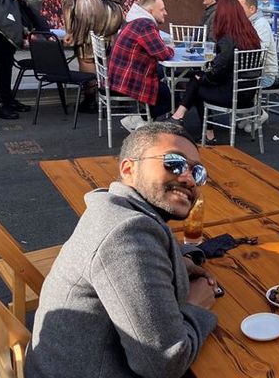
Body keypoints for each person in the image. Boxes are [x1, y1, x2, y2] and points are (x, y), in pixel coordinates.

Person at [26, 123, 219, 377]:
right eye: (174, 163)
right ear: (128, 169)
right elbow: (164, 364)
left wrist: (172, 263)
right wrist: (196, 306)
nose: (189, 179)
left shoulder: (112, 208)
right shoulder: (128, 234)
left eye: (198, 172)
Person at [166, 0, 261, 144]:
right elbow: (224, 68)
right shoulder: (250, 35)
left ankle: (183, 120)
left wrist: (203, 78)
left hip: (231, 94)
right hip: (248, 93)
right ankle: (184, 120)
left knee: (197, 84)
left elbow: (218, 71)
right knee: (197, 80)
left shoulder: (228, 39)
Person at [53, 0, 125, 114]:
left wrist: (69, 30)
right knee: (107, 54)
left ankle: (91, 99)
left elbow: (68, 3)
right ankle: (115, 95)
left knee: (86, 57)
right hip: (112, 10)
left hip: (89, 13)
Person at [108, 0, 174, 129]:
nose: (165, 13)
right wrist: (171, 49)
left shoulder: (135, 21)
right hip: (127, 80)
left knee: (161, 74)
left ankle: (142, 119)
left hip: (118, 77)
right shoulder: (145, 25)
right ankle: (140, 122)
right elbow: (162, 54)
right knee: (171, 97)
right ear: (150, 11)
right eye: (162, 9)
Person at [236, 0, 278, 89]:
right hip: (252, 72)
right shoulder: (246, 23)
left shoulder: (260, 25)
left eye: (240, 9)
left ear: (252, 9)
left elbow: (259, 55)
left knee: (226, 81)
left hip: (265, 75)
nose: (237, 12)